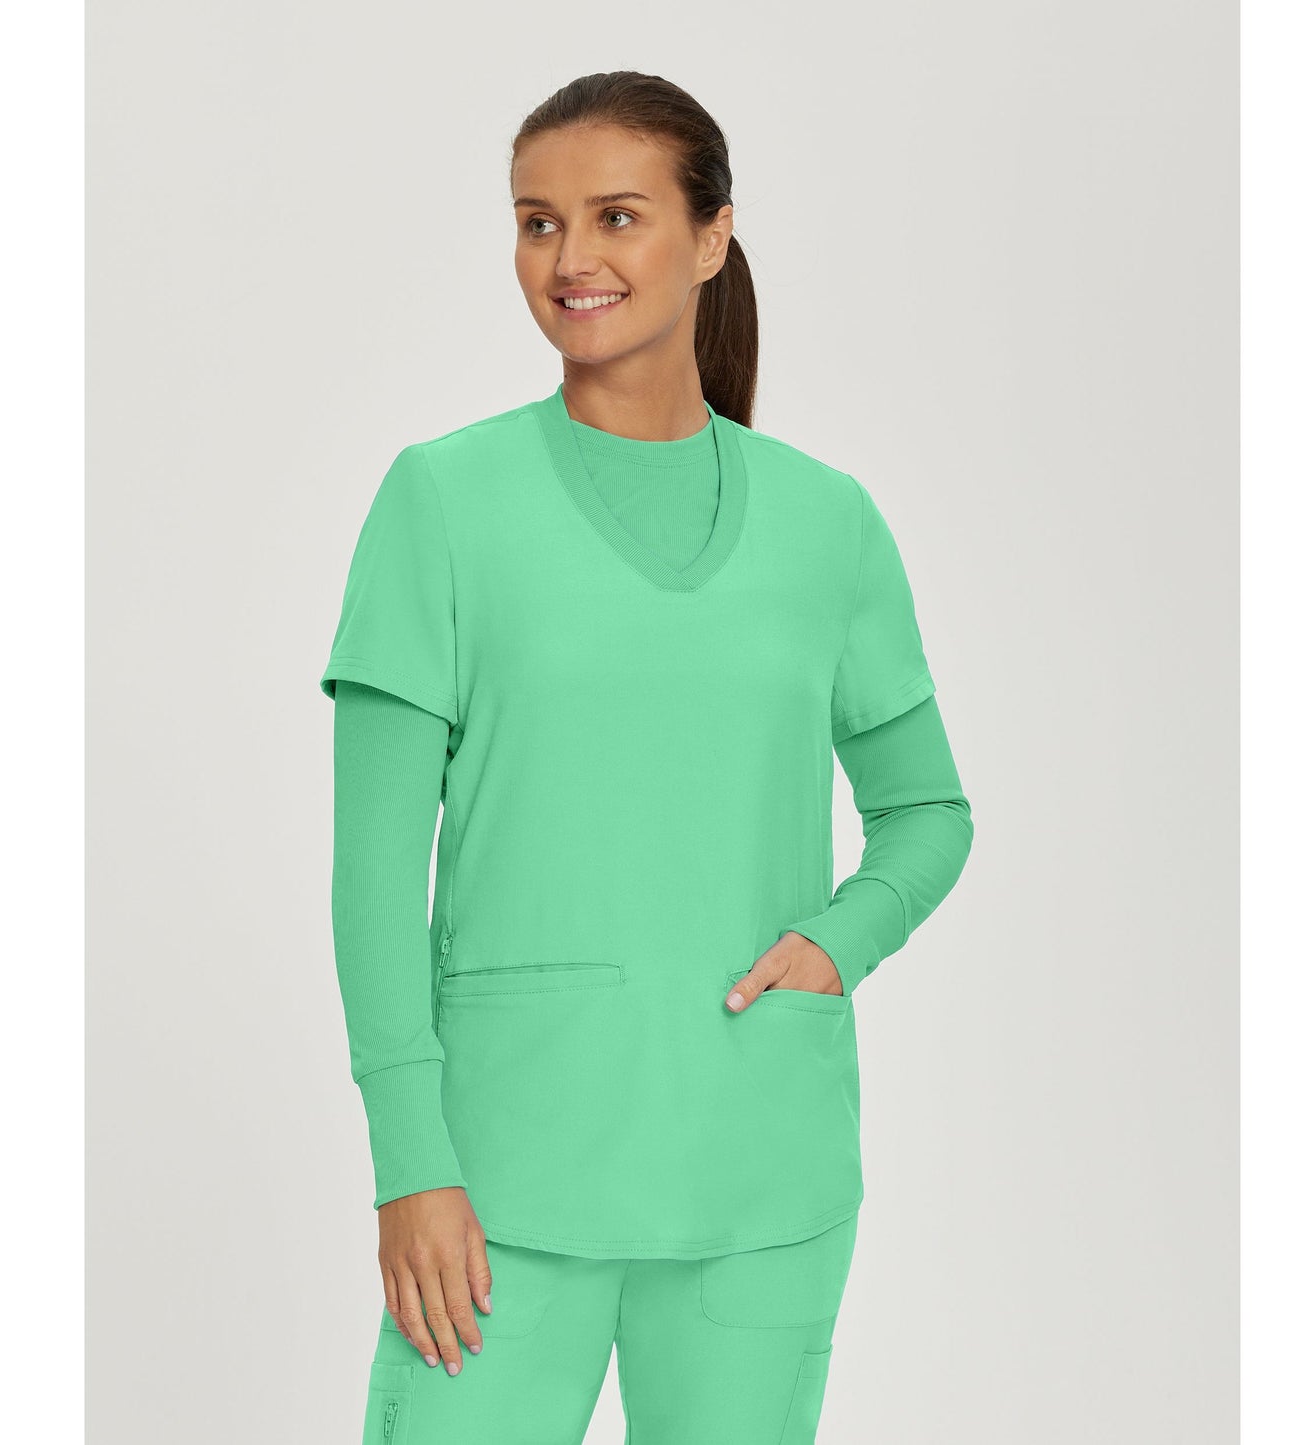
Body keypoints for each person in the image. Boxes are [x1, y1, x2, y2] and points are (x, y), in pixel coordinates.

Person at [321, 70, 974, 1445]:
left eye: (616, 216)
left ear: (712, 235)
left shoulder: (828, 524)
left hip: (762, 1162)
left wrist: (836, 944)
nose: (571, 257)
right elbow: (373, 875)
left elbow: (926, 809)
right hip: (498, 1176)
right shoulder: (441, 501)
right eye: (537, 222)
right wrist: (409, 1161)